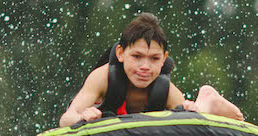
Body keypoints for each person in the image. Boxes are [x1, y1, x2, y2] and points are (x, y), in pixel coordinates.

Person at [59, 12, 243, 127]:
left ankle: (207, 102)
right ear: (121, 53)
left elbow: (191, 124)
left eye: (154, 59)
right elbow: (66, 118)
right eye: (137, 57)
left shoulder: (165, 89)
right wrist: (82, 116)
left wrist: (190, 107)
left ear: (164, 59)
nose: (145, 67)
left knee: (193, 113)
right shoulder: (102, 78)